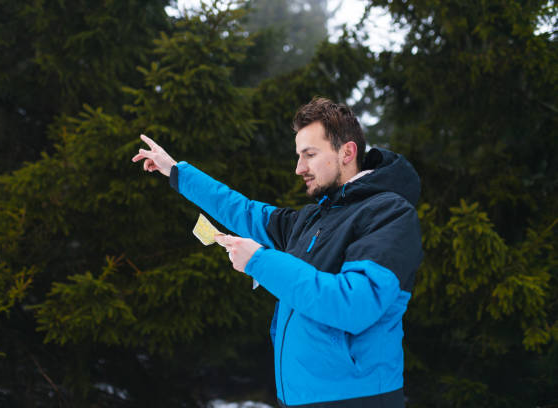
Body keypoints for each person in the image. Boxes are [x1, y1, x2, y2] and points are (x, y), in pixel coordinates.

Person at [132, 97, 423, 408]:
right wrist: (177, 172)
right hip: (297, 398)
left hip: (357, 399)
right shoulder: (312, 219)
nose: (299, 168)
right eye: (299, 156)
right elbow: (243, 210)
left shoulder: (389, 214)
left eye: (309, 155)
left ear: (347, 152)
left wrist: (259, 261)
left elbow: (353, 304)